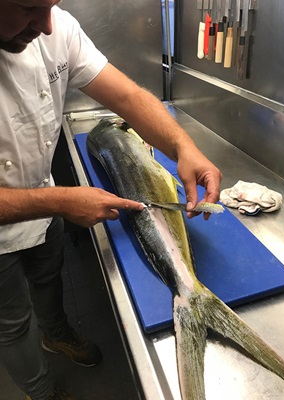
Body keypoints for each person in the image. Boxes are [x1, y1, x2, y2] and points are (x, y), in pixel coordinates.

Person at [0, 1, 222, 399]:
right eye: (29, 7)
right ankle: (41, 391)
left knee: (50, 278)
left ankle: (56, 335)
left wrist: (182, 145)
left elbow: (129, 98)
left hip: (46, 196)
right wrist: (60, 202)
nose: (47, 25)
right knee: (11, 323)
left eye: (53, 5)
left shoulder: (55, 29)